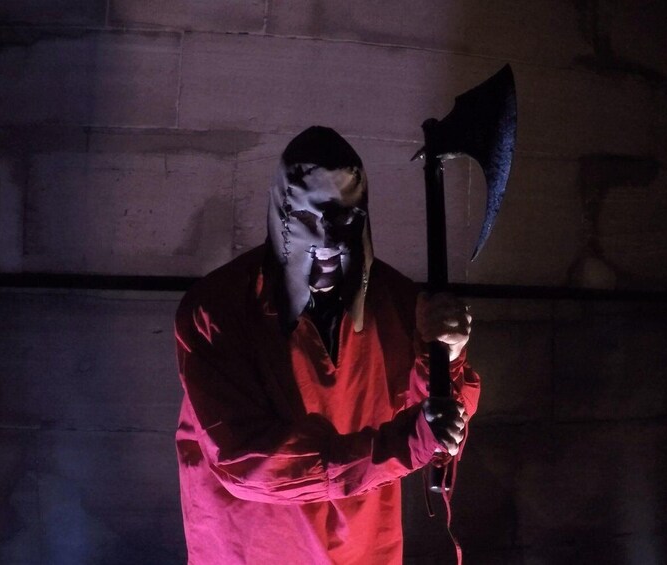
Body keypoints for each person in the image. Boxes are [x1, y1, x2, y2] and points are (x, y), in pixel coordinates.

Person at [174, 126, 480, 564]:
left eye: (346, 219)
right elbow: (246, 460)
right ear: (282, 213)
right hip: (255, 547)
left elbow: (439, 430)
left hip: (363, 545)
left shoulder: (397, 304)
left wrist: (446, 358)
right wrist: (403, 444)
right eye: (309, 218)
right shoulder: (218, 310)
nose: (329, 241)